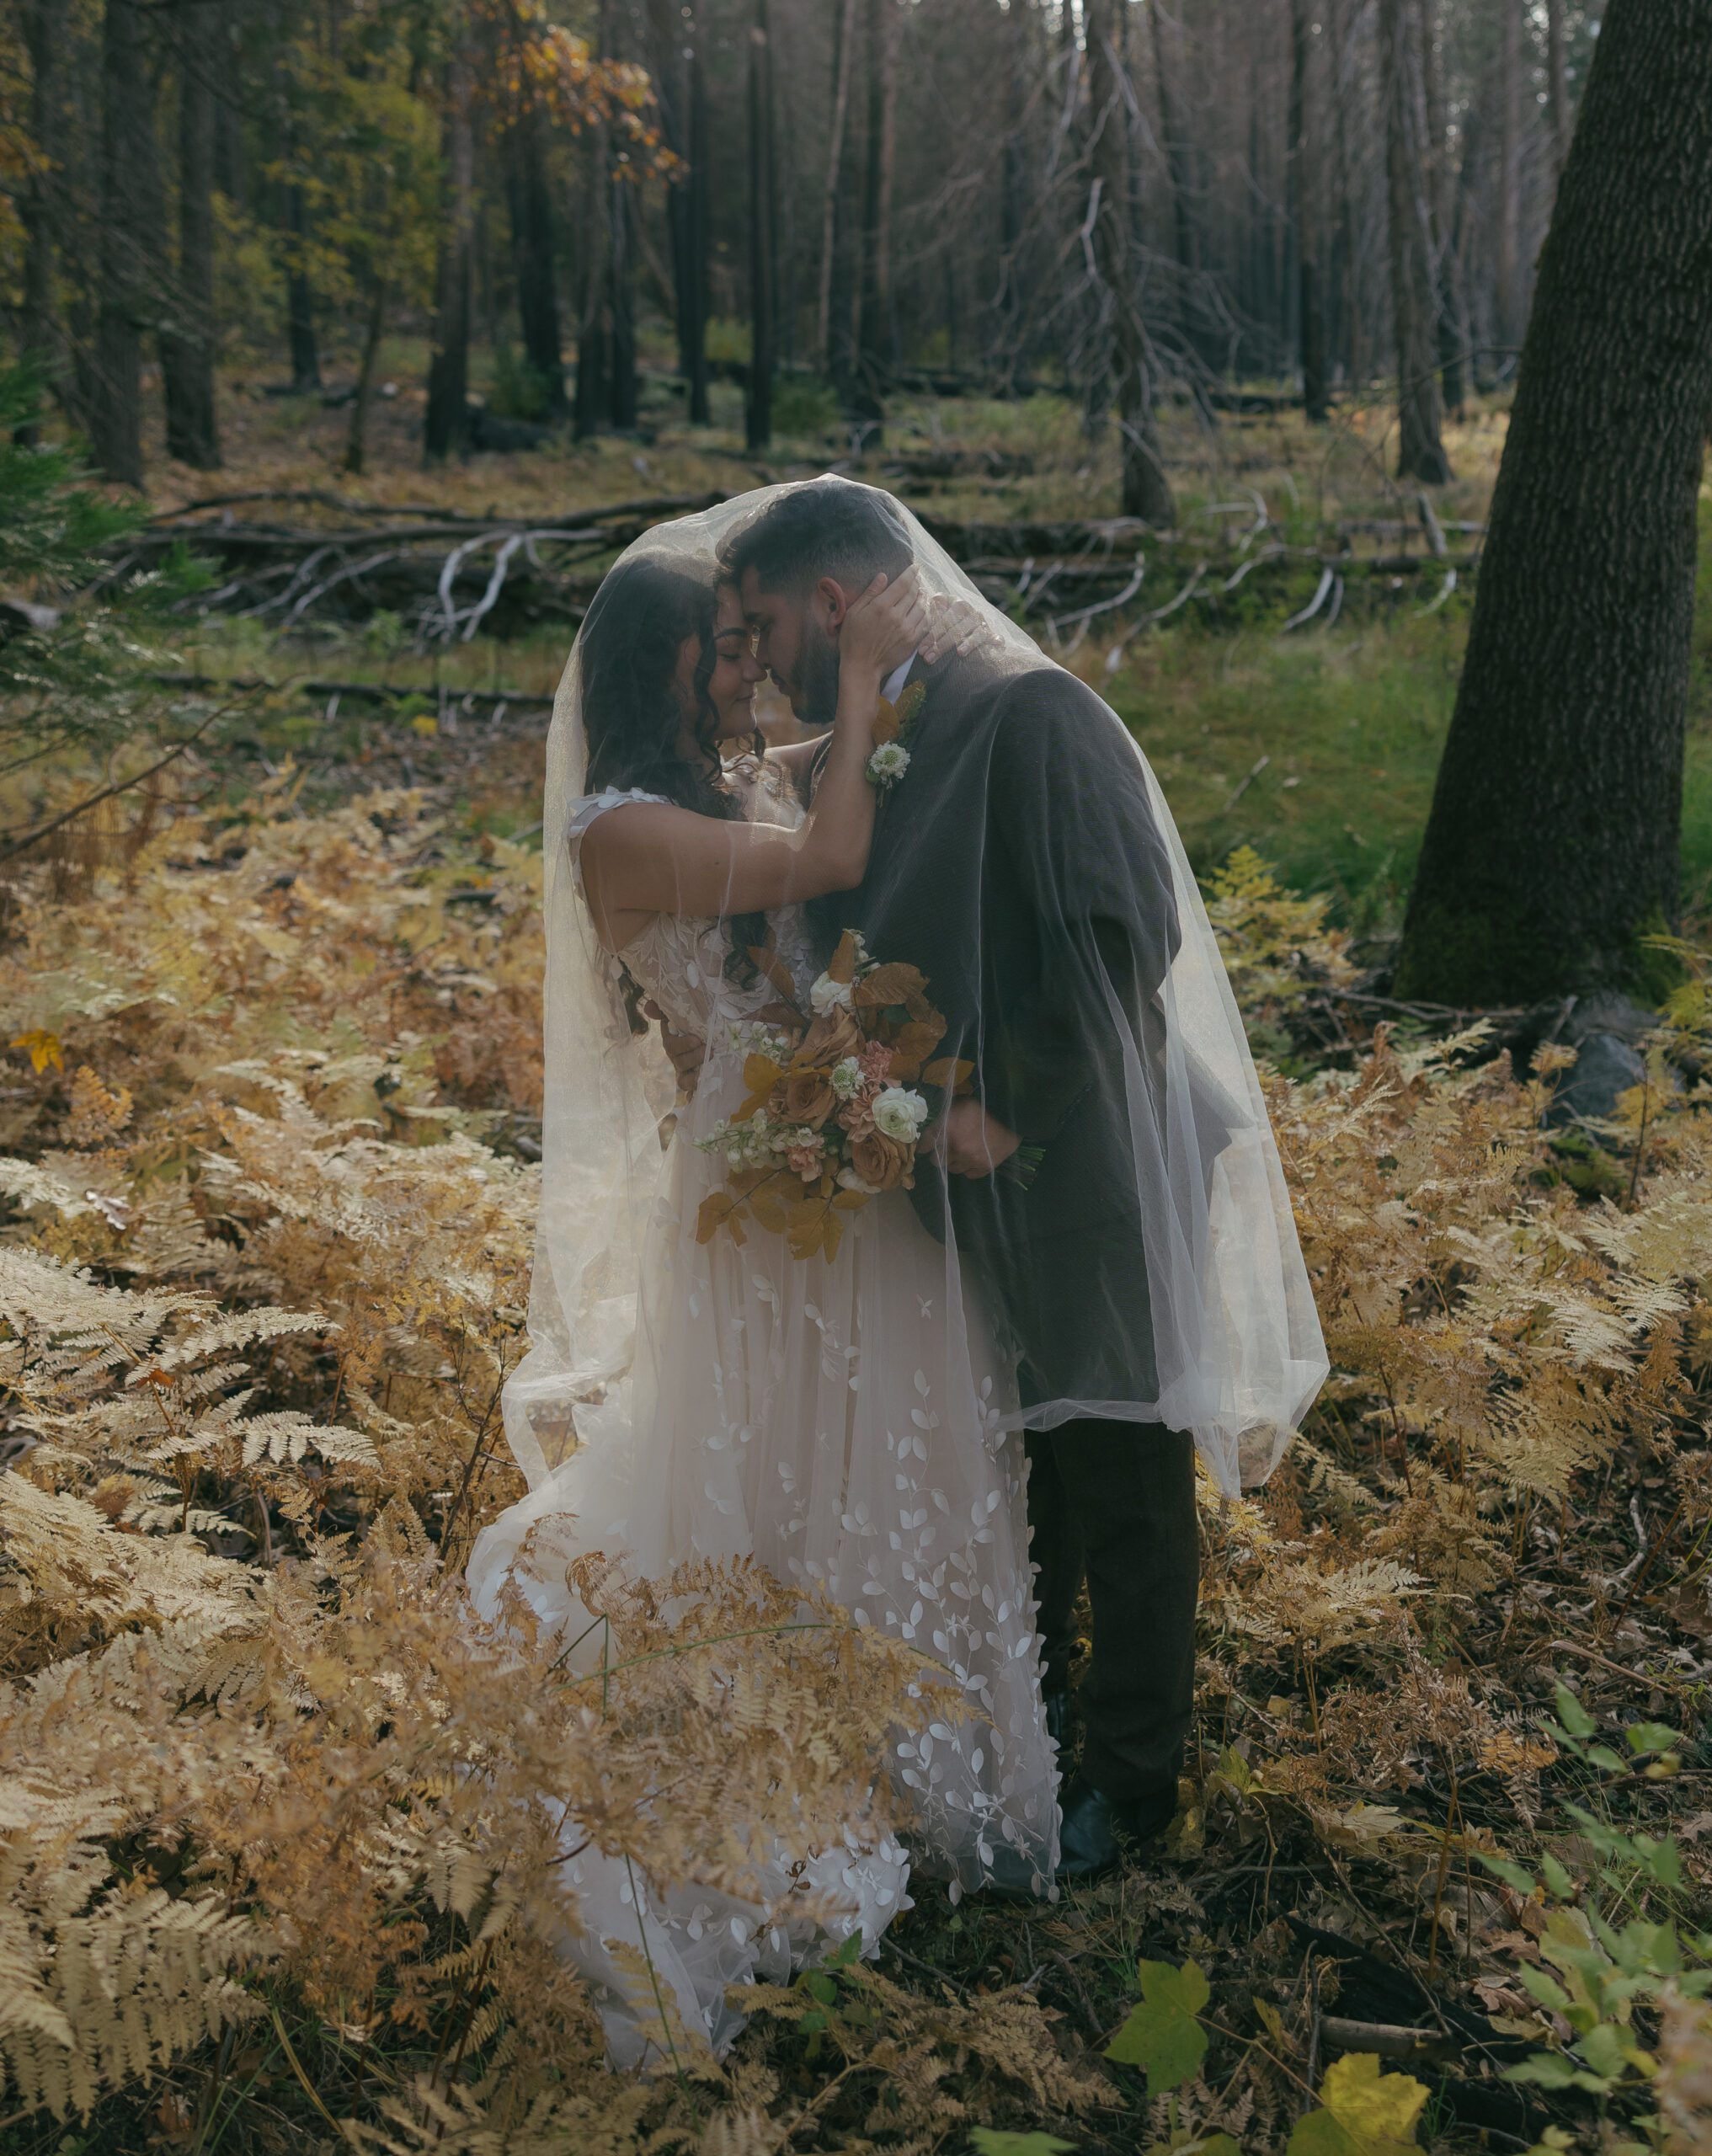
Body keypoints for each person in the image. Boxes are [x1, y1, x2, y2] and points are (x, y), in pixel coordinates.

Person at [466, 542, 1062, 2065]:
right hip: (751, 1191)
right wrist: (860, 690)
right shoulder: (626, 834)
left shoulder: (714, 787)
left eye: (751, 641)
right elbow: (828, 863)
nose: (748, 672)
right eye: (721, 649)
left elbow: (843, 781)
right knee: (783, 1451)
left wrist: (897, 671)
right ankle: (779, 1771)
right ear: (655, 668)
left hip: (811, 1152)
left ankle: (906, 1745)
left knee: (883, 1428)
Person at [707, 477, 1329, 1887]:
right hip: (955, 1165)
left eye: (759, 626)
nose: (755, 660)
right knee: (1017, 1456)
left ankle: (1136, 1783)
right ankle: (1035, 1741)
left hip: (1091, 1155)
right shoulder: (870, 742)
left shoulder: (1032, 709)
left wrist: (1001, 1110)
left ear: (830, 604)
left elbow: (1125, 929)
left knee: (1116, 1454)